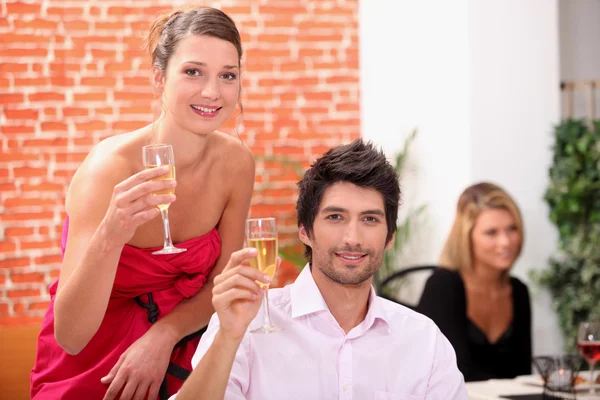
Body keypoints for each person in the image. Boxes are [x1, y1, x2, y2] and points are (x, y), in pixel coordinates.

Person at [30, 6, 255, 400]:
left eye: (227, 76)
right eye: (193, 71)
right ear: (158, 79)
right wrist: (111, 235)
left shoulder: (236, 163)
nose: (212, 92)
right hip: (92, 365)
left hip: (182, 347)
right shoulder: (109, 168)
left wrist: (164, 335)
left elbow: (220, 286)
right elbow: (70, 336)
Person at [172, 139, 468, 400]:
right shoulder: (246, 326)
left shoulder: (423, 340)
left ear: (390, 236)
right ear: (305, 230)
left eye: (370, 220)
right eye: (336, 217)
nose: (352, 238)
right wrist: (228, 337)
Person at [416, 182, 532, 382]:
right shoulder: (443, 286)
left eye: (512, 229)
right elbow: (444, 376)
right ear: (466, 238)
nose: (506, 241)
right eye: (491, 232)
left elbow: (522, 374)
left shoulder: (518, 291)